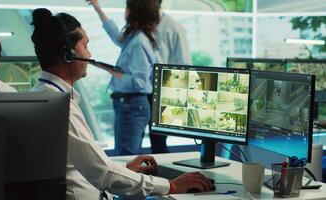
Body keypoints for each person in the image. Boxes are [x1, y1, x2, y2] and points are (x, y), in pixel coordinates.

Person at [30, 7, 213, 200]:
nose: (90, 54)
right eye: (86, 45)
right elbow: (103, 174)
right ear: (69, 54)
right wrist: (172, 185)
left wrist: (125, 169)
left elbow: (89, 164)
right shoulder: (60, 106)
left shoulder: (42, 95)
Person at [87, 0, 158, 156]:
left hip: (132, 105)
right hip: (128, 105)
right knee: (126, 154)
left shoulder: (139, 41)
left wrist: (110, 70)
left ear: (134, 12)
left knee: (126, 157)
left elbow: (138, 82)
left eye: (128, 8)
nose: (125, 12)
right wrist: (98, 9)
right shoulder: (134, 37)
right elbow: (115, 35)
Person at [149, 0, 192, 154]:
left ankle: (163, 177)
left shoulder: (174, 27)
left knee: (158, 142)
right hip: (144, 91)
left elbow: (184, 63)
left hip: (163, 92)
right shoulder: (141, 26)